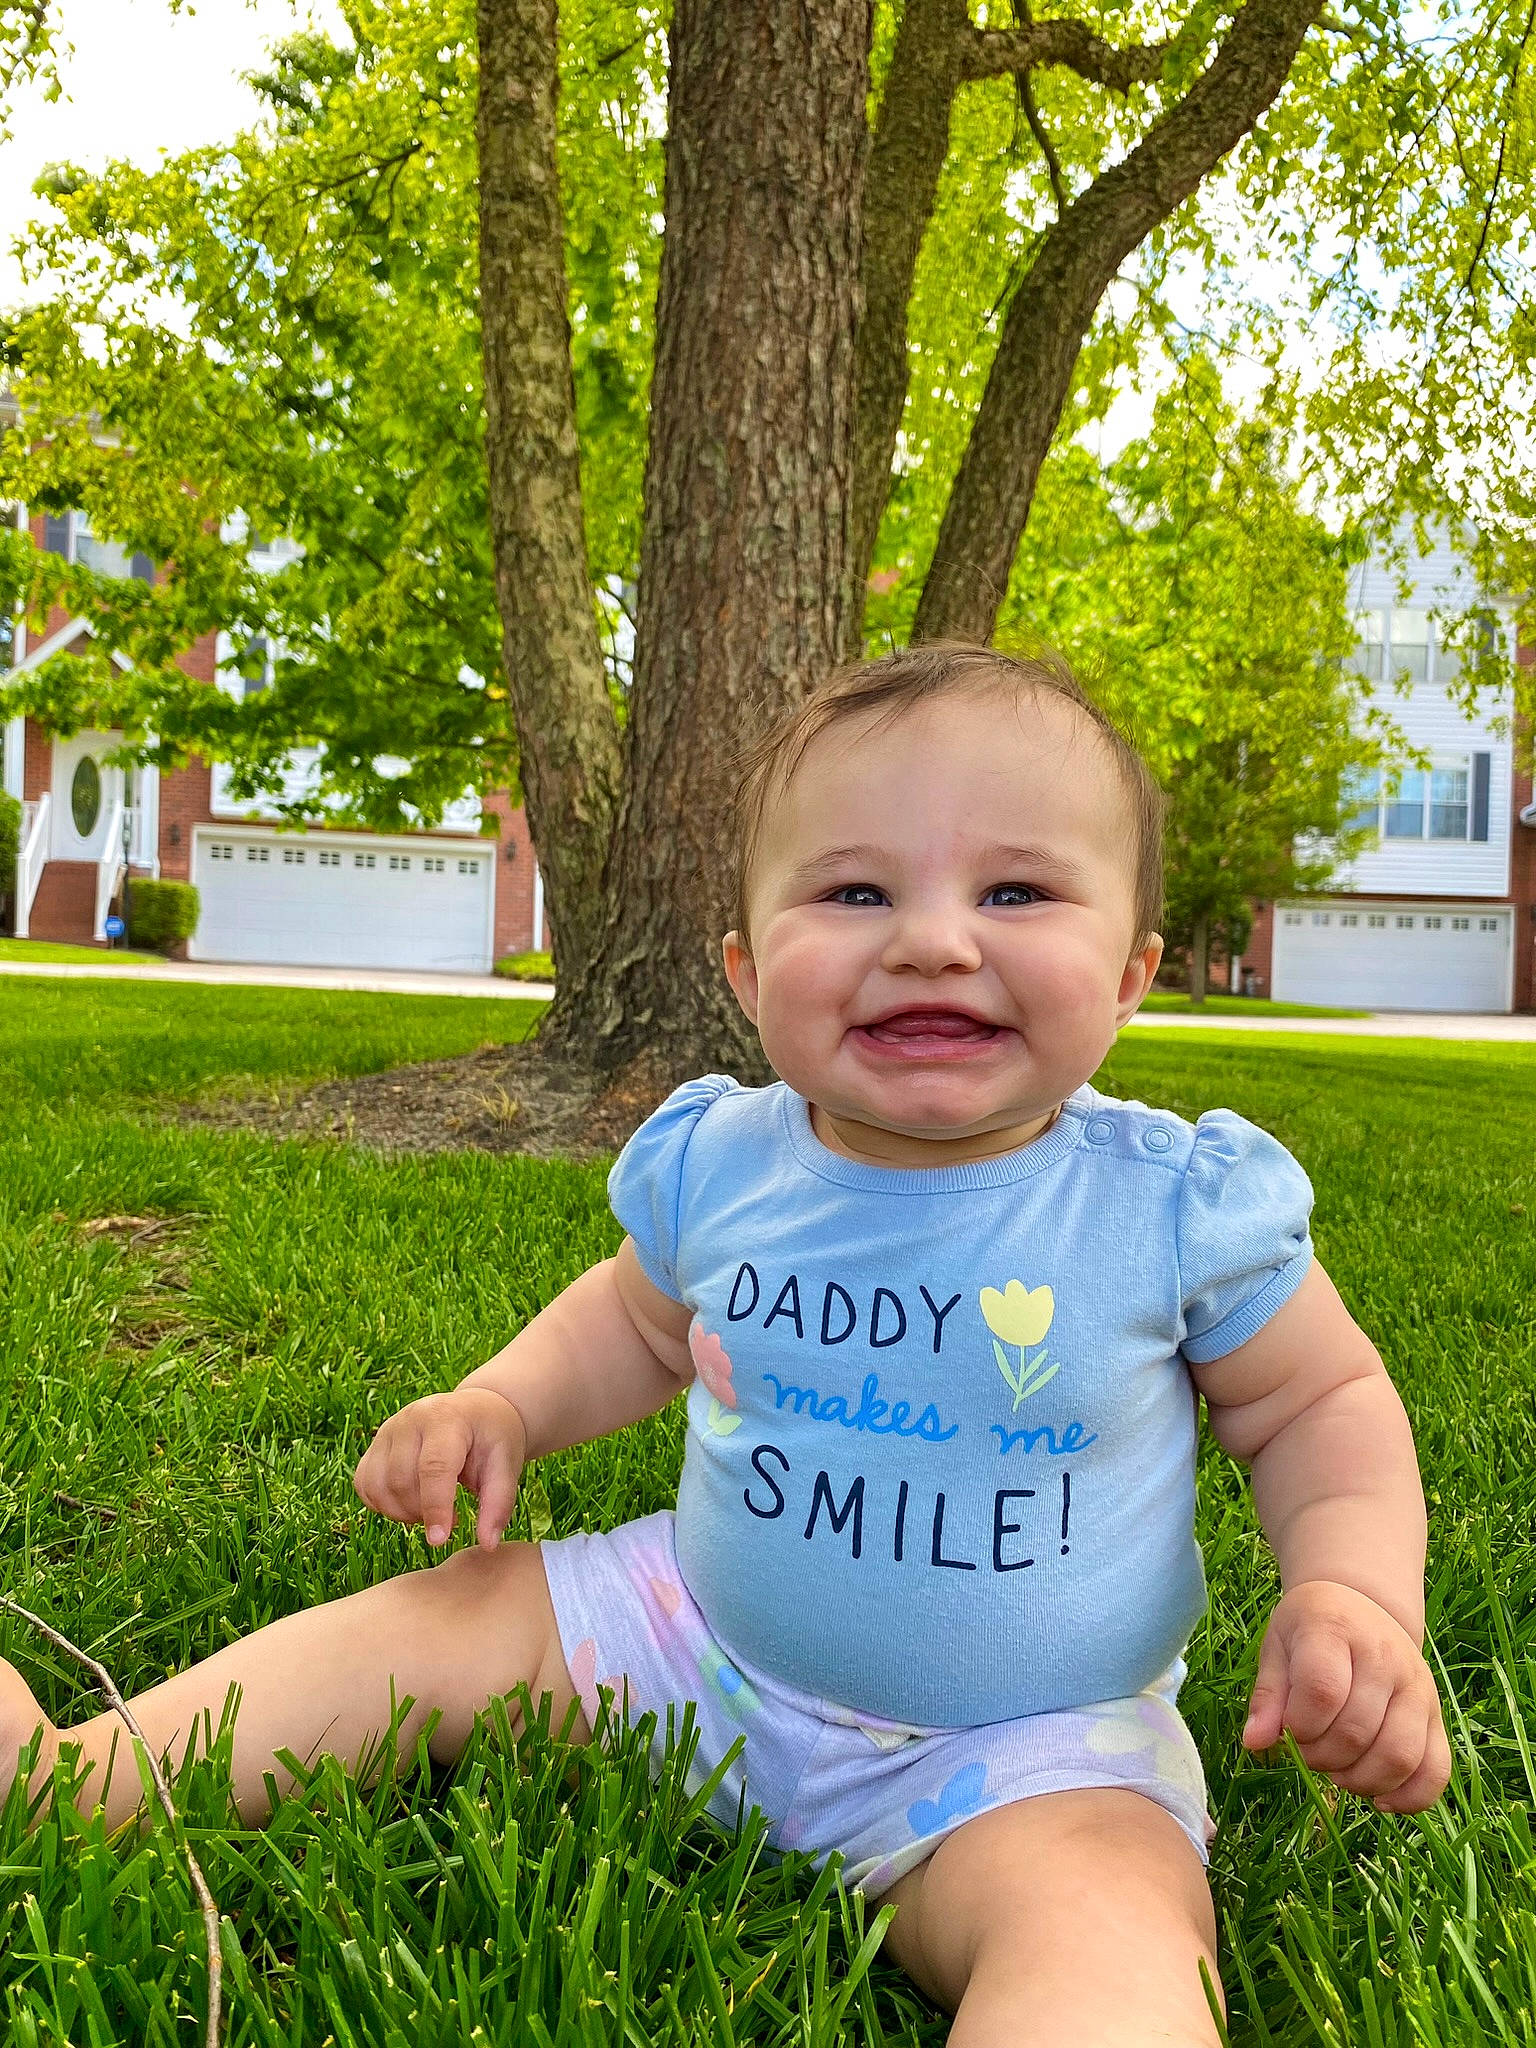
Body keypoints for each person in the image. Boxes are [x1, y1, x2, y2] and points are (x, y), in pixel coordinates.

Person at [1, 644, 1450, 2045]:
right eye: (856, 890)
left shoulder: (1171, 1204)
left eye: (1015, 889)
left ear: (1131, 973)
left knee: (1112, 1925)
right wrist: (502, 1401)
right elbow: (636, 1318)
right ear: (752, 974)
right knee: (449, 1615)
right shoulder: (724, 1160)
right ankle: (80, 1777)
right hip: (688, 1645)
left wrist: (1356, 1595)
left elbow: (1320, 1403)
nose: (933, 937)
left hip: (1022, 1752)